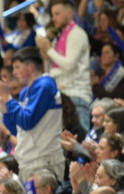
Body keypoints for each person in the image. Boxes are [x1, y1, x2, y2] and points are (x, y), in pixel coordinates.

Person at [0, 48, 66, 181]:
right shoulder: (25, 92)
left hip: (44, 160)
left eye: (17, 67)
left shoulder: (45, 85)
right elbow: (16, 129)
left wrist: (8, 97)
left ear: (31, 67)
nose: (14, 73)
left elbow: (27, 122)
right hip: (28, 160)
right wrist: (3, 102)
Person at [37, 0, 93, 131]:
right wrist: (46, 56)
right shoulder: (59, 36)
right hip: (61, 96)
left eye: (57, 14)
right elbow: (52, 69)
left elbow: (68, 65)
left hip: (76, 95)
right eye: (52, 14)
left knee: (80, 141)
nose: (53, 18)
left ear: (70, 13)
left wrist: (49, 50)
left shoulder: (77, 33)